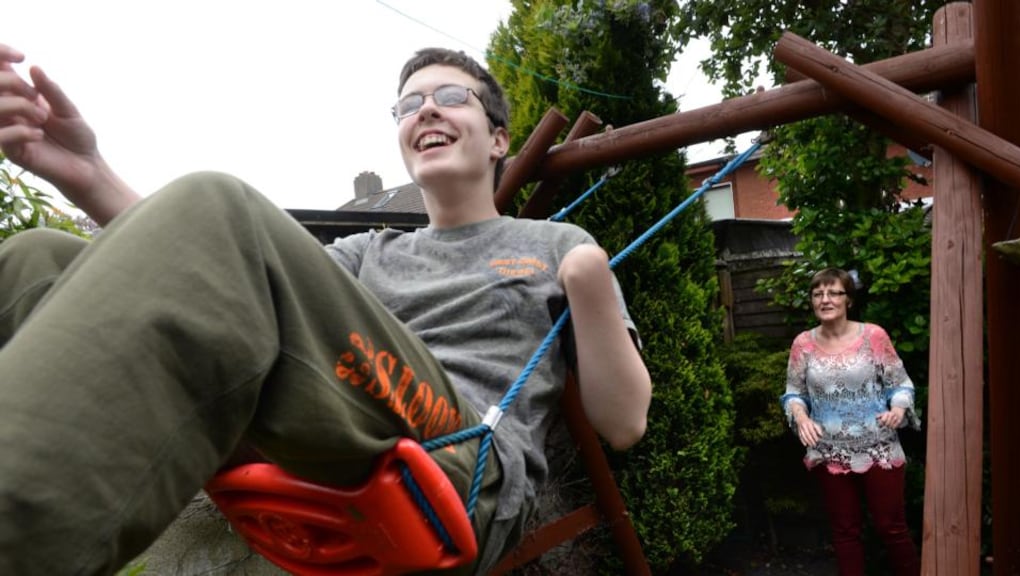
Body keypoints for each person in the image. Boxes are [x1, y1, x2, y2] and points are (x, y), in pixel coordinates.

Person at [0, 43, 651, 576]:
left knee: (219, 203)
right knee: (35, 260)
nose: (427, 111)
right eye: (409, 104)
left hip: (456, 466)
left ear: (499, 140)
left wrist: (588, 278)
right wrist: (87, 173)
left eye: (451, 97)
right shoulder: (369, 252)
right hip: (339, 426)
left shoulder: (554, 244)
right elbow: (220, 276)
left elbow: (622, 424)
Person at [780, 267, 921, 576]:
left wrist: (898, 409)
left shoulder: (874, 336)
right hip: (829, 452)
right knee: (845, 532)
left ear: (848, 300)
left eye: (833, 292)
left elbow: (901, 384)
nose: (825, 299)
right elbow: (794, 392)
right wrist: (801, 416)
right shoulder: (802, 344)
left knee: (891, 528)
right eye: (818, 294)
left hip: (879, 448)